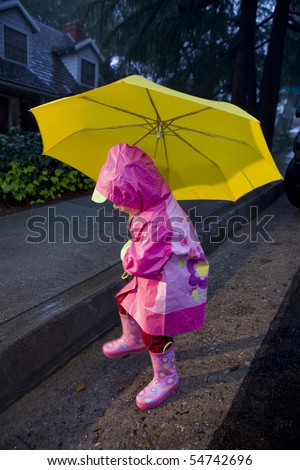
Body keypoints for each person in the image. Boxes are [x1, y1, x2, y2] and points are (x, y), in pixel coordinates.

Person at [92, 142, 209, 410]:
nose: (118, 208)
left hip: (170, 281)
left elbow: (143, 261)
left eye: (121, 201)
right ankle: (132, 339)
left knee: (155, 329)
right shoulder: (152, 203)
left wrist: (127, 253)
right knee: (125, 300)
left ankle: (167, 376)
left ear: (136, 193)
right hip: (162, 272)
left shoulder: (158, 221)